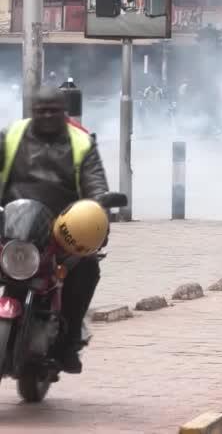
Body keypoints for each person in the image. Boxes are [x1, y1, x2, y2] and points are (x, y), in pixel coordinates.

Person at [0, 86, 110, 374]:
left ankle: (69, 339)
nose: (47, 115)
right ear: (32, 111)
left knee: (86, 268)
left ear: (64, 112)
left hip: (62, 227)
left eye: (53, 110)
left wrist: (99, 210)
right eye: (41, 110)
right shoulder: (12, 135)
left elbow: (95, 182)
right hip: (12, 223)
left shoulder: (81, 143)